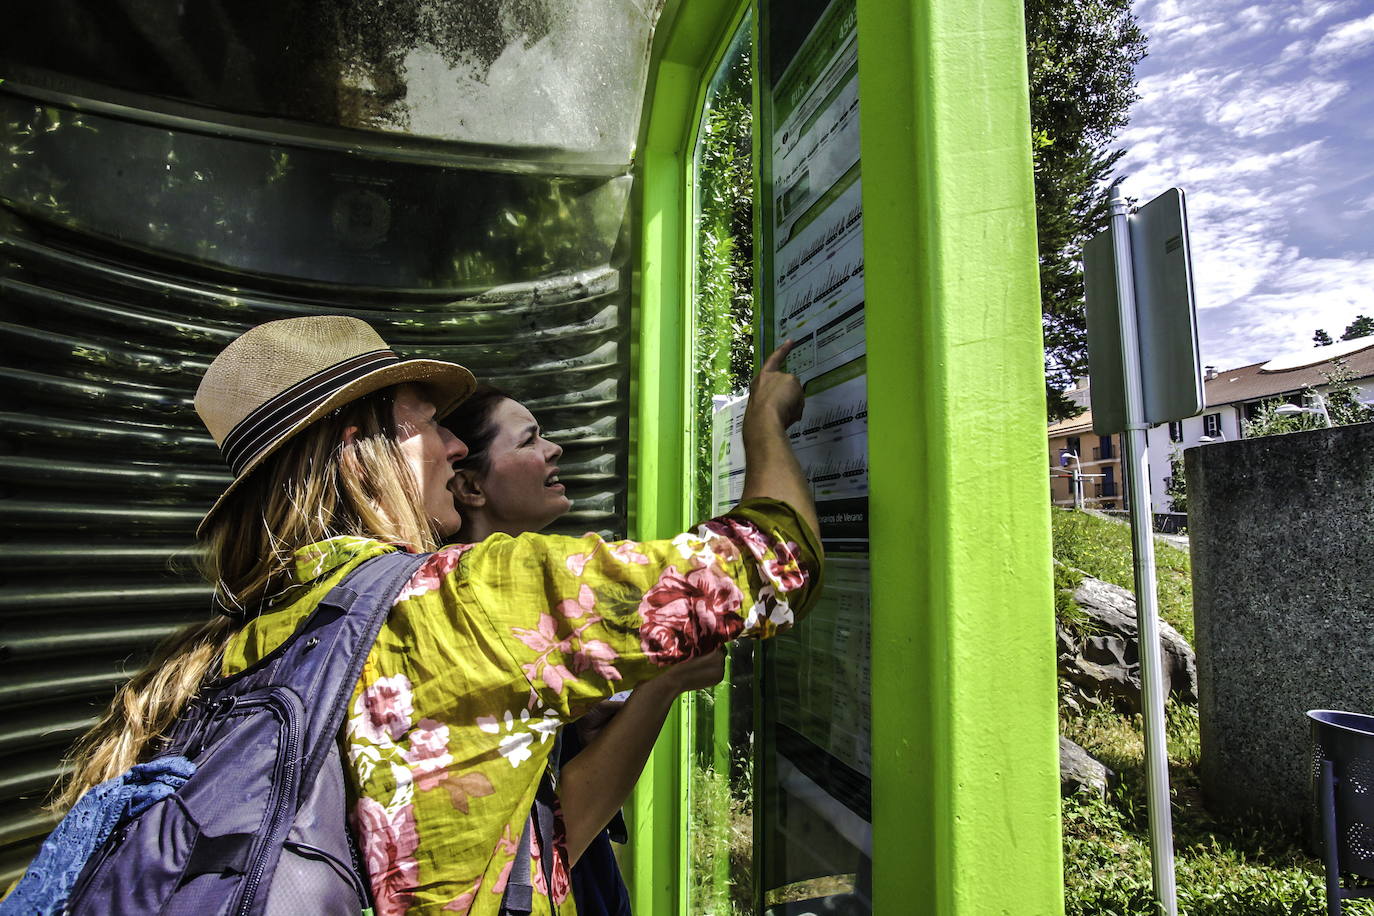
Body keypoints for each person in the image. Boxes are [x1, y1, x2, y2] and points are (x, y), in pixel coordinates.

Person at [55, 314, 821, 916]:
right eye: (426, 423)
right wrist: (764, 426)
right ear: (364, 449)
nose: (455, 445)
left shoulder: (246, 637)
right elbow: (774, 563)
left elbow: (512, 857)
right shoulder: (455, 601)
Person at [441, 386, 726, 915]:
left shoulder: (482, 600)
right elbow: (561, 831)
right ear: (470, 485)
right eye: (530, 439)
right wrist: (662, 682)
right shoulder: (481, 611)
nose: (554, 449)